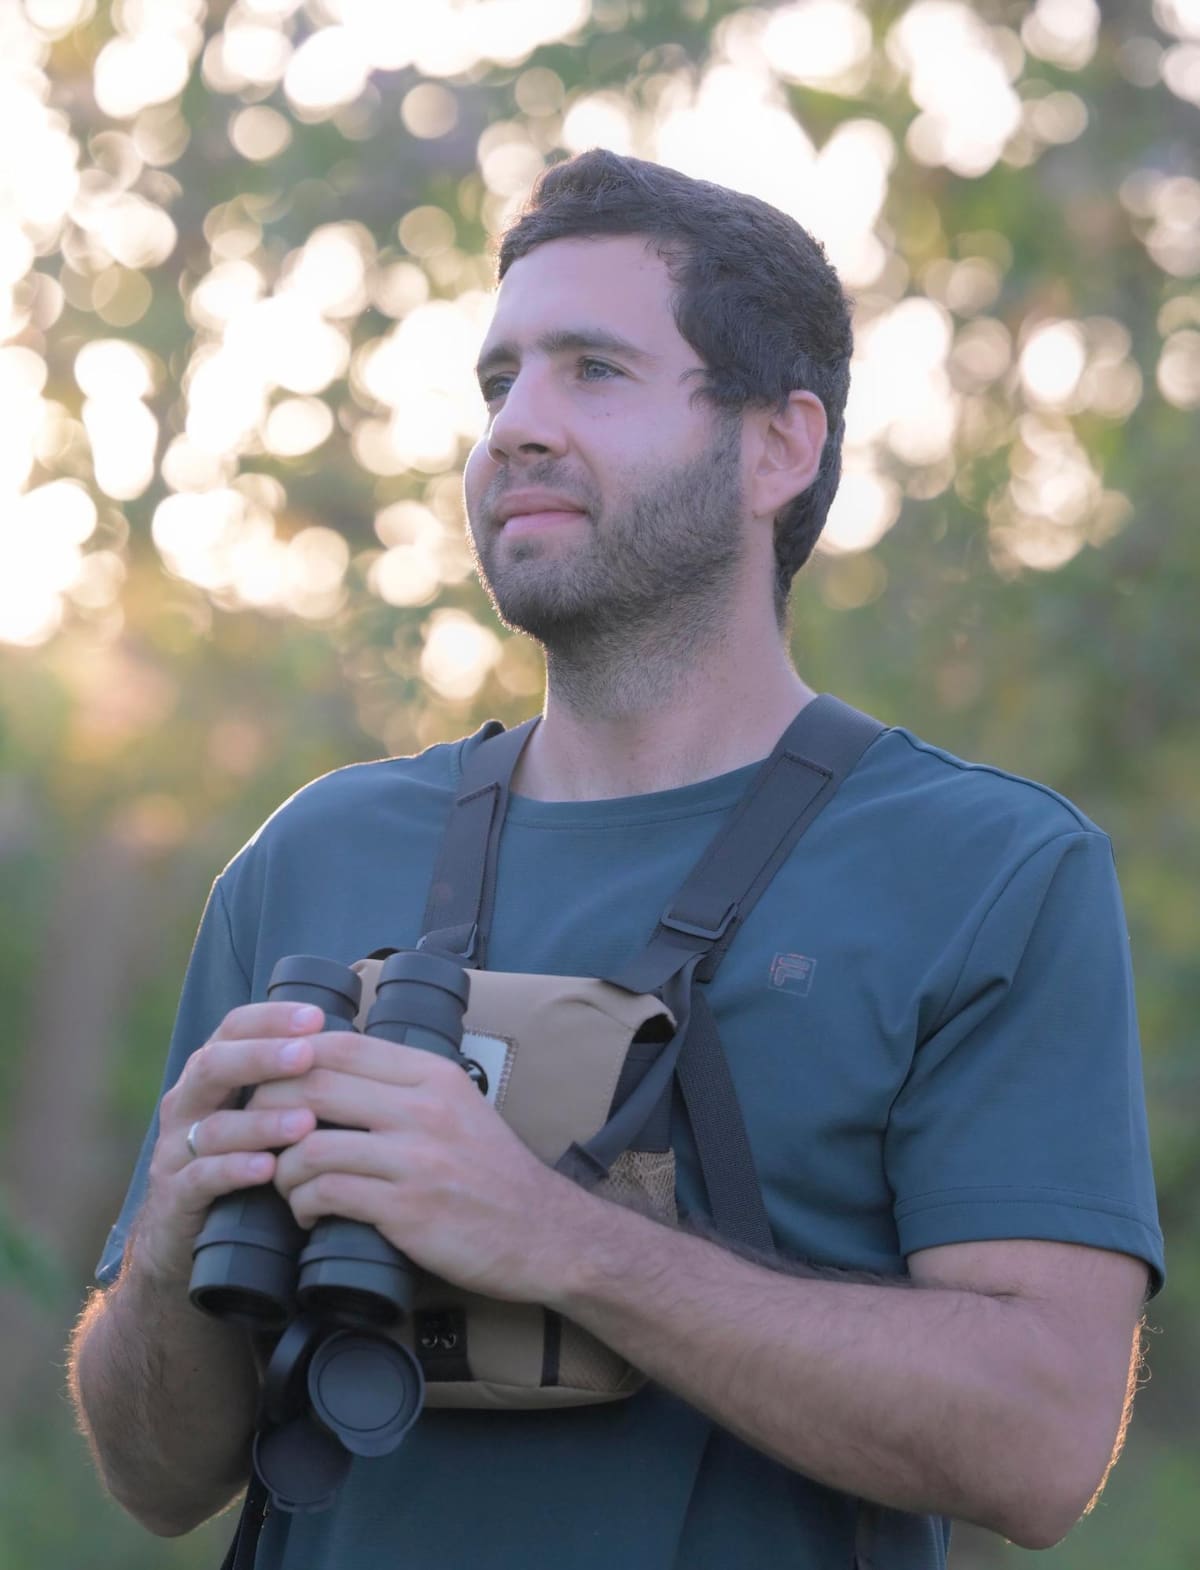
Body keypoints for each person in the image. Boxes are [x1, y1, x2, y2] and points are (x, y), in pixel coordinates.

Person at [68, 150, 1163, 1569]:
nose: (516, 426)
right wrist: (167, 1240)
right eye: (498, 381)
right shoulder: (314, 855)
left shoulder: (989, 870)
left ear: (782, 445)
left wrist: (559, 1237)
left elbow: (1044, 1443)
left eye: (592, 370)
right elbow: (156, 1476)